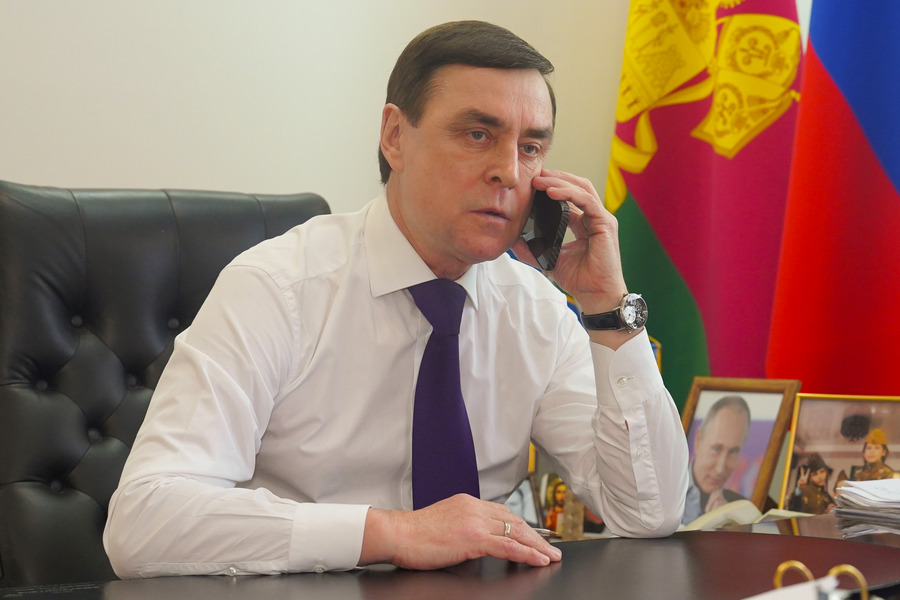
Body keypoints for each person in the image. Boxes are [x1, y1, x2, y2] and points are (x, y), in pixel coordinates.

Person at [104, 20, 688, 577]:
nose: (509, 172)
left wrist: (606, 306)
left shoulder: (536, 309)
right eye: (477, 135)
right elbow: (144, 522)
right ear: (394, 137)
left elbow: (649, 512)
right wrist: (393, 534)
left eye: (531, 147)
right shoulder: (278, 289)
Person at [682, 395, 750, 525]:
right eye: (716, 449)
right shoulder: (662, 492)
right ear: (698, 440)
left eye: (733, 452)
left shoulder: (741, 509)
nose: (720, 469)